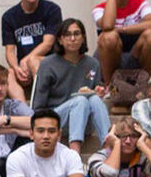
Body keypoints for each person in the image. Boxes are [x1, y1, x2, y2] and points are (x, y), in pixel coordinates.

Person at [32, 19, 111, 155]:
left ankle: (108, 146)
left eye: (77, 34)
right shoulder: (48, 64)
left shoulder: (93, 63)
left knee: (94, 100)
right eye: (67, 35)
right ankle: (75, 154)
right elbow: (37, 107)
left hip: (85, 121)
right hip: (55, 119)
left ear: (83, 38)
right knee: (80, 101)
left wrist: (99, 90)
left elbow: (97, 88)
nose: (73, 38)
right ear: (60, 40)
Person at [1, 0, 63, 102]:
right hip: (24, 69)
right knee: (8, 73)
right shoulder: (8, 17)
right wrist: (16, 67)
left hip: (51, 62)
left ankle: (42, 104)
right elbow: (10, 50)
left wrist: (26, 60)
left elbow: (48, 43)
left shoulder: (52, 10)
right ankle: (24, 110)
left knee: (33, 61)